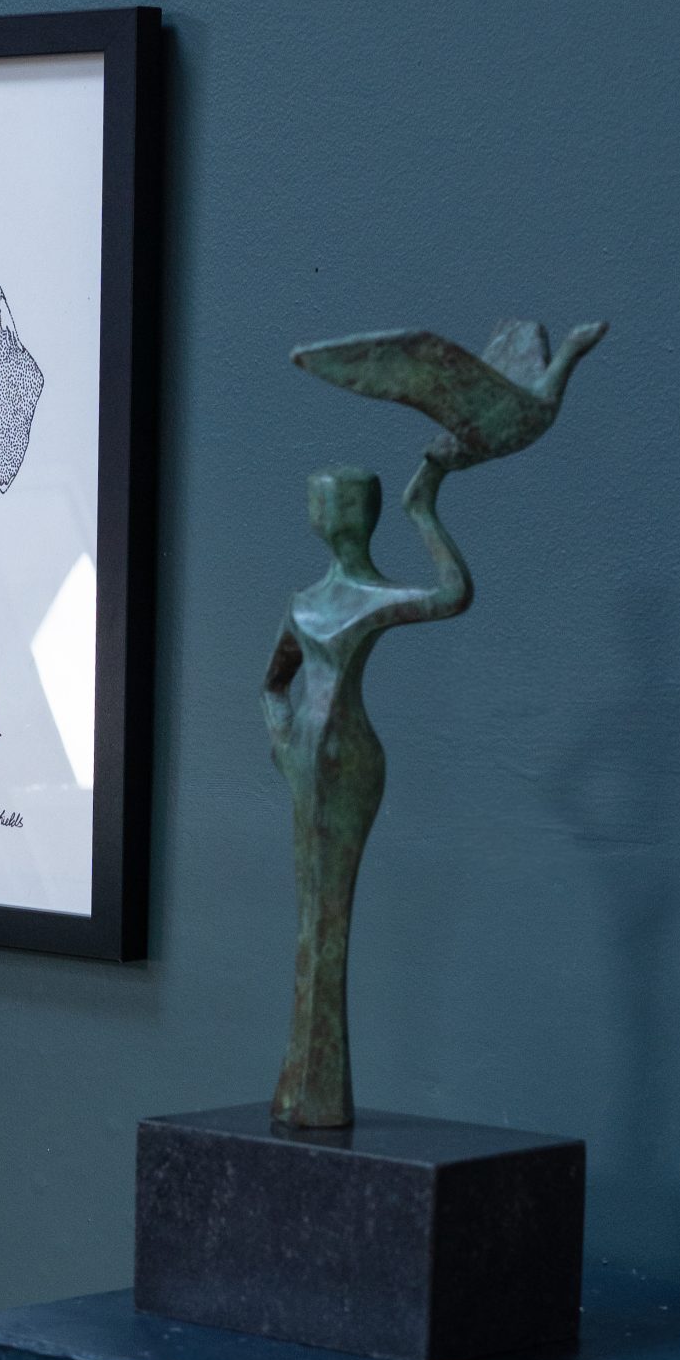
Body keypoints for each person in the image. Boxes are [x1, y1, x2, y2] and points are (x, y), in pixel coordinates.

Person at [262, 456, 471, 1129]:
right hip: (305, 760)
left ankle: (318, 1091)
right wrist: (281, 739)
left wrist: (424, 510)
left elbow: (453, 593)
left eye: (341, 503)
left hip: (350, 761)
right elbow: (273, 684)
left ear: (366, 513)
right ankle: (299, 1086)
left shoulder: (376, 598)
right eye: (321, 502)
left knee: (330, 921)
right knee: (308, 922)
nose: (329, 515)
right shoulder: (303, 601)